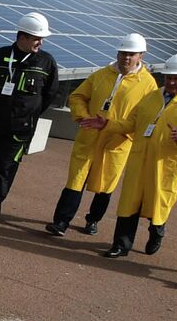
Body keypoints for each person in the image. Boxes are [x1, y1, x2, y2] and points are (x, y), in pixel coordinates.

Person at [102, 54, 177, 258]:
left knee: (158, 204)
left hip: (166, 165)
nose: (171, 82)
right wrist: (107, 124)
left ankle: (157, 232)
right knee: (129, 202)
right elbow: (131, 124)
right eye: (168, 77)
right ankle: (121, 244)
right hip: (140, 160)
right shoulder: (152, 97)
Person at [45, 33, 153, 236]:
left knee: (105, 185)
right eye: (123, 53)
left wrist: (112, 126)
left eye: (132, 54)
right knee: (75, 181)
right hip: (89, 138)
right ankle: (61, 221)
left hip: (116, 143)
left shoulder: (148, 84)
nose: (126, 58)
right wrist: (83, 116)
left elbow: (145, 118)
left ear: (141, 56)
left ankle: (93, 220)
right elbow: (78, 96)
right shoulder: (102, 74)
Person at [0, 12, 60, 235]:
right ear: (22, 37)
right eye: (36, 38)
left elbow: (49, 94)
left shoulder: (46, 62)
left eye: (42, 39)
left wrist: (28, 113)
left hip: (20, 129)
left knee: (4, 168)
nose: (40, 43)